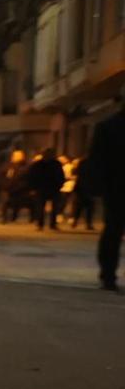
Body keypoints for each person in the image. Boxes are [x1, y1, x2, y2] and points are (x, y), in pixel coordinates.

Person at [86, 110, 125, 291]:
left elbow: (96, 160)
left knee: (112, 231)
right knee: (113, 231)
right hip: (116, 187)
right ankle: (108, 275)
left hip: (115, 188)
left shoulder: (108, 126)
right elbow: (97, 160)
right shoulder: (108, 127)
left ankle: (108, 275)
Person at [26, 149, 66, 230]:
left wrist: (33, 187)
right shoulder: (41, 164)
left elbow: (31, 177)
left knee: (46, 207)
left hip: (49, 188)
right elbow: (31, 177)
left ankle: (47, 224)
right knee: (42, 207)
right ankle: (45, 224)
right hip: (45, 188)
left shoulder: (53, 164)